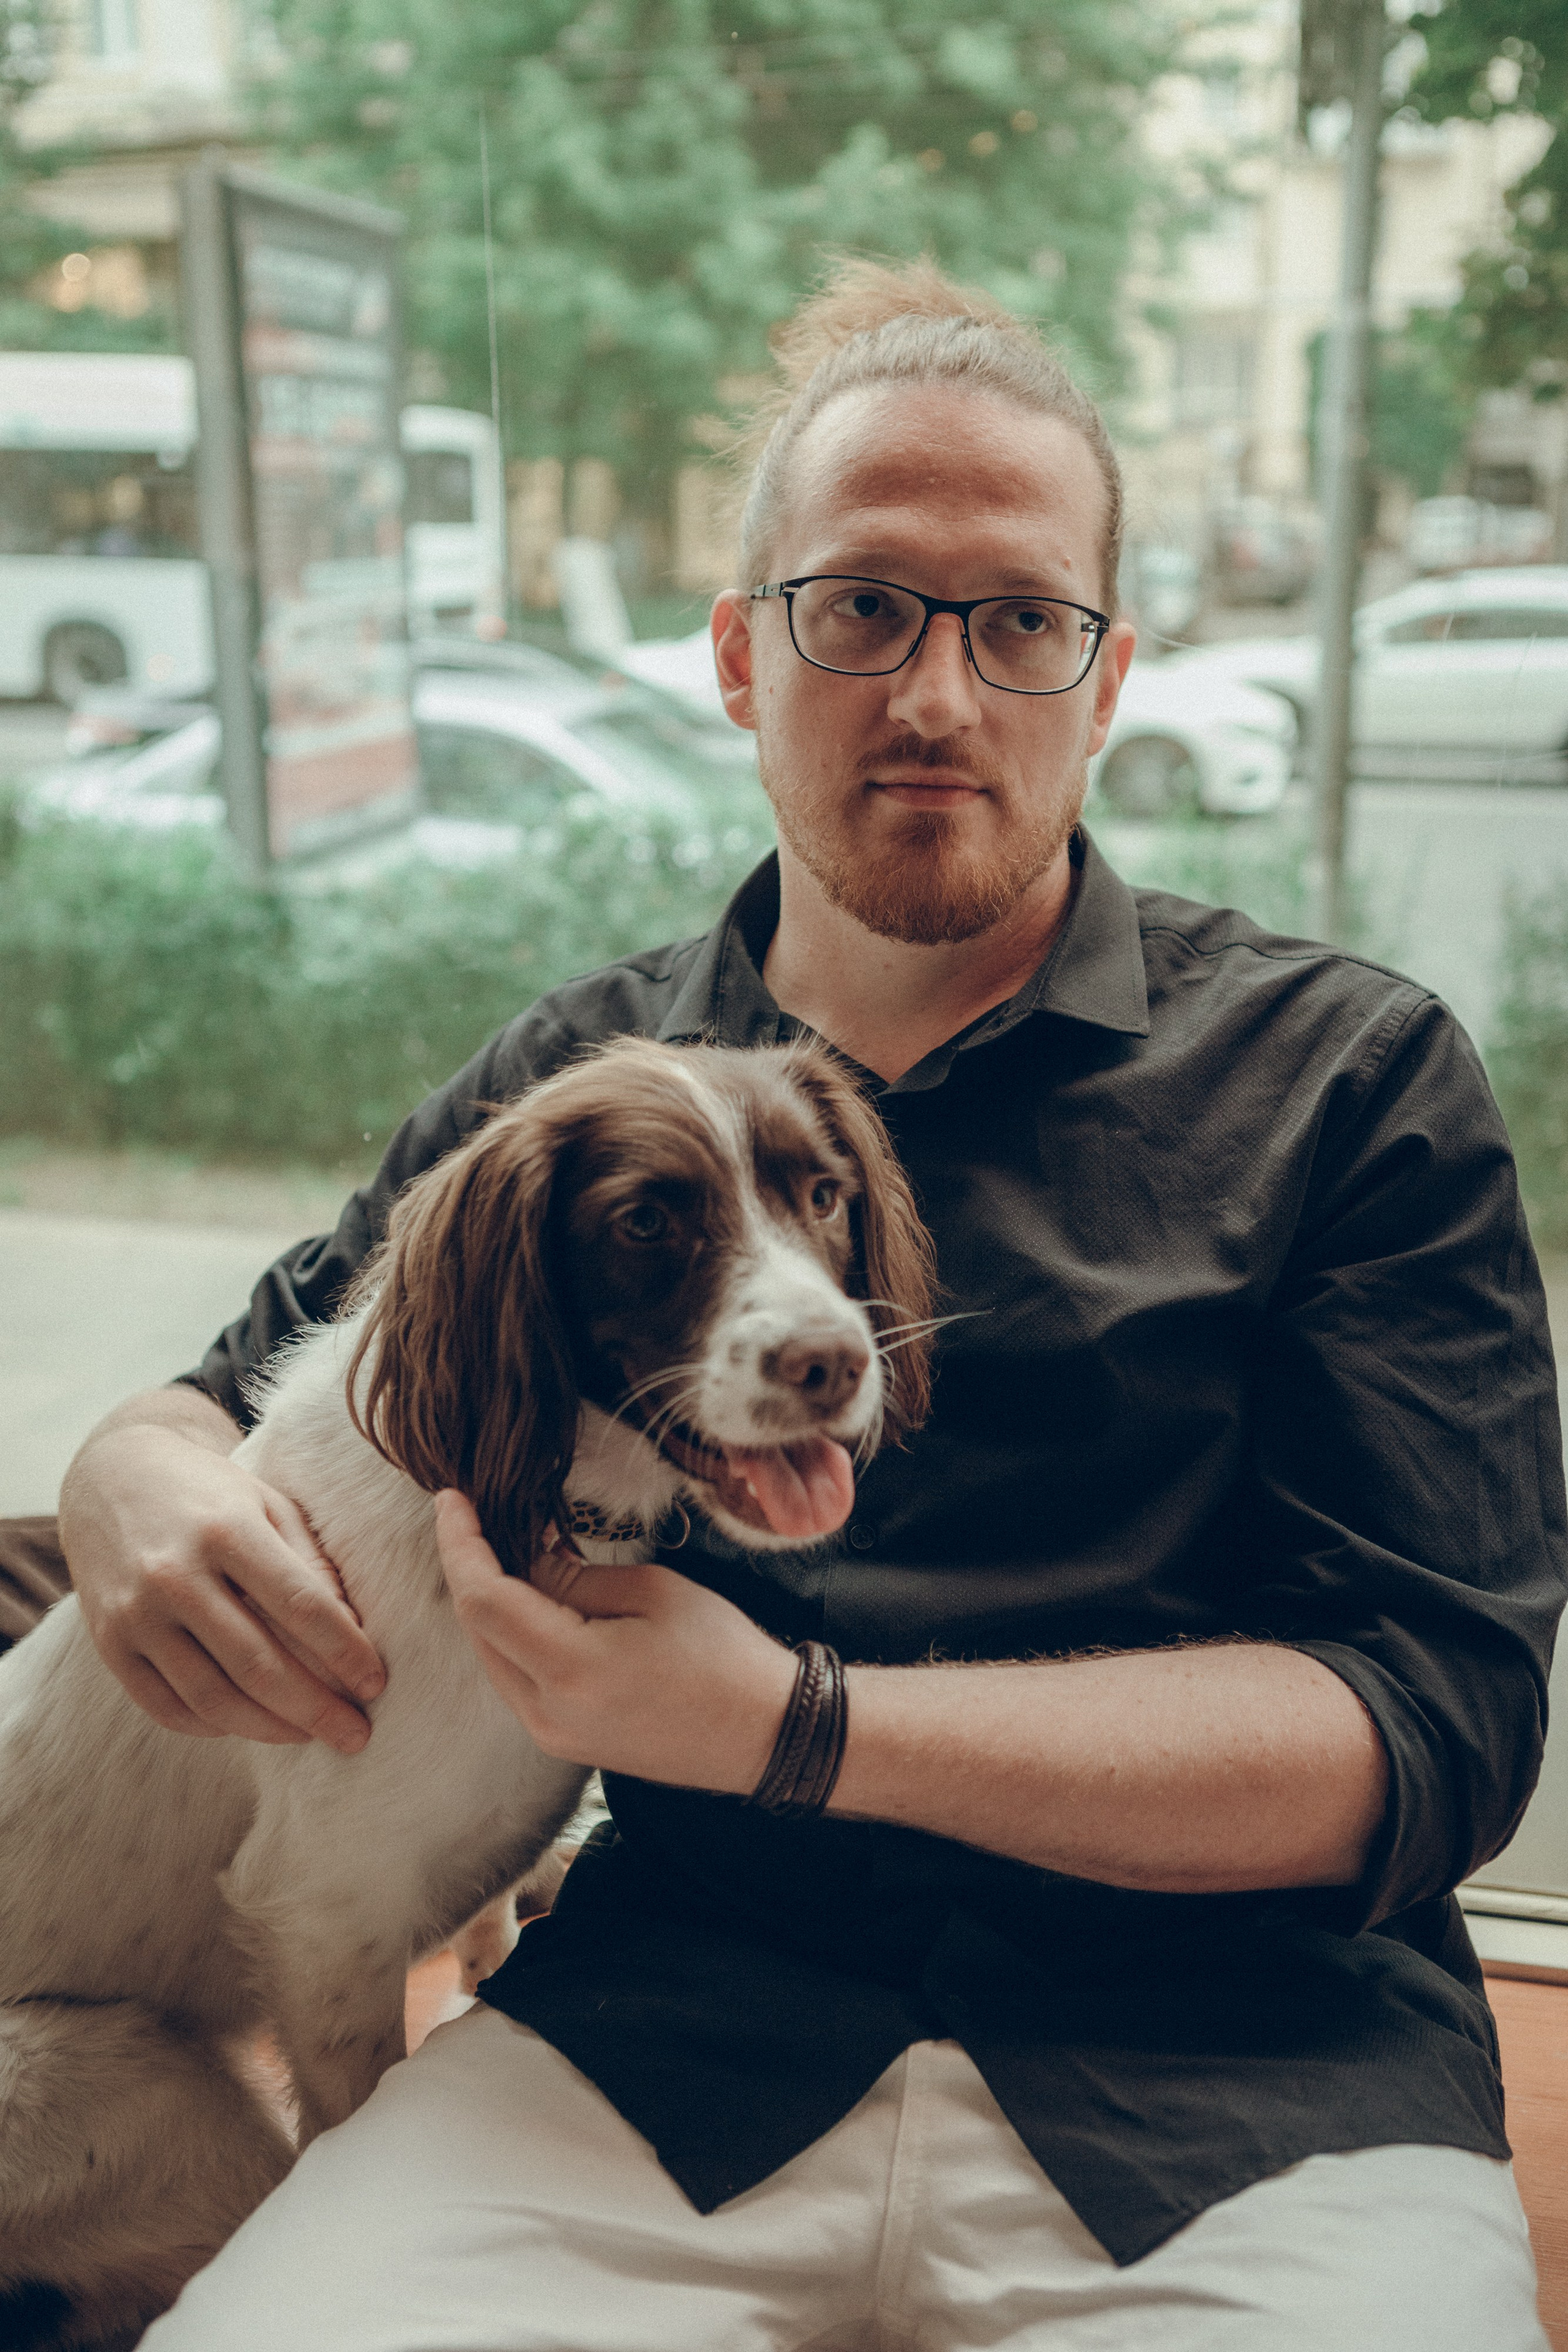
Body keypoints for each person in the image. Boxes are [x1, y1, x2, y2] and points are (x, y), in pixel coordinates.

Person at [43, 260, 1564, 2350]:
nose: (938, 700)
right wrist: (129, 1470)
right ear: (744, 661)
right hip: (654, 2051)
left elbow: (1435, 1726)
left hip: (1251, 2090)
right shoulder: (572, 1087)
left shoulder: (1350, 1081)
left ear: (1105, 683)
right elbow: (250, 1381)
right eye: (862, 609)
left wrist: (801, 1731)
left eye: (1022, 622)